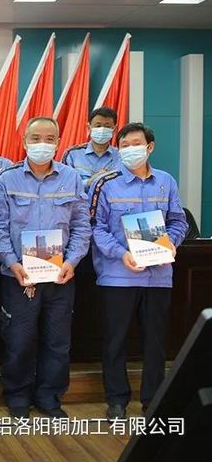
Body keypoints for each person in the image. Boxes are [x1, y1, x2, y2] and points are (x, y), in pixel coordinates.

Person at [89, 123, 188, 420]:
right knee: (115, 340)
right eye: (125, 145)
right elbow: (96, 228)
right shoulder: (105, 183)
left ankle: (153, 401)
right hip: (118, 275)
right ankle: (116, 400)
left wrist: (171, 243)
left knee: (156, 342)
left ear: (150, 147)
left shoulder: (166, 181)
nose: (131, 149)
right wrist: (122, 254)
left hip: (158, 276)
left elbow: (178, 221)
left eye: (136, 143)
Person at [0, 117, 91, 420]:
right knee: (19, 340)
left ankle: (50, 397)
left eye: (50, 139)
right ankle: (17, 396)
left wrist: (72, 262)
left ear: (58, 143)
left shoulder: (72, 178)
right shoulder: (7, 179)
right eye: (36, 138)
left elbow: (81, 226)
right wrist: (13, 263)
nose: (42, 144)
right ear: (24, 141)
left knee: (57, 341)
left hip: (60, 276)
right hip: (19, 276)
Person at [62, 107, 121, 190]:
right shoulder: (72, 154)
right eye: (98, 126)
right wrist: (89, 182)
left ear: (114, 129)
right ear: (89, 128)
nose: (102, 129)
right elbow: (63, 186)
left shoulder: (121, 156)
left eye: (107, 126)